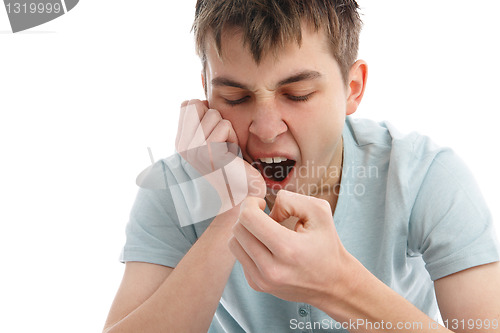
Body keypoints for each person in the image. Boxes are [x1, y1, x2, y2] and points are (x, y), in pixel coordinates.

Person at [103, 1, 500, 332]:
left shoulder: (425, 177)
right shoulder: (176, 186)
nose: (266, 129)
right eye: (235, 97)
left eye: (297, 94)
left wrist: (336, 284)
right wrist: (230, 213)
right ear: (206, 92)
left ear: (352, 89)